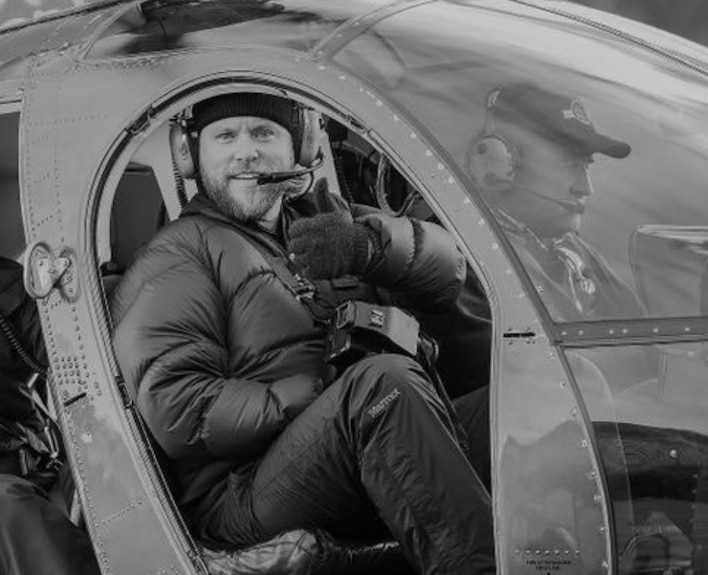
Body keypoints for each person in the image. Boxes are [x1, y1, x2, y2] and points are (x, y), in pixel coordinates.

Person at [110, 93, 494, 574]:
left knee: (516, 407)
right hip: (244, 494)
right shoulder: (178, 254)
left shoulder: (322, 223)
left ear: (304, 146)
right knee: (382, 386)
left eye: (264, 133)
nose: (245, 151)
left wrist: (373, 248)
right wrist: (319, 391)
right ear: (191, 154)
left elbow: (452, 273)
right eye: (225, 136)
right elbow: (180, 407)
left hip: (354, 446)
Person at [467, 83, 644, 323]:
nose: (586, 188)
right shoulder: (470, 263)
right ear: (499, 160)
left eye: (585, 167)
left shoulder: (569, 248)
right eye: (572, 165)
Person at [0, 256, 101, 575]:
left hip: (37, 463)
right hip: (11, 498)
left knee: (100, 471)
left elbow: (60, 343)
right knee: (11, 509)